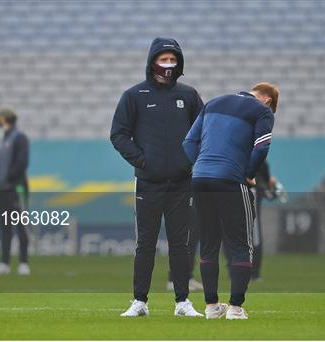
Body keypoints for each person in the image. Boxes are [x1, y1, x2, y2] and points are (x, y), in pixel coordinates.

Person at [111, 37, 204, 317]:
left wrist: (190, 161)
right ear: (152, 62)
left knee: (181, 244)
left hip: (181, 183)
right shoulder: (134, 96)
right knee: (145, 244)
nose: (168, 65)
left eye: (172, 60)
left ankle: (182, 302)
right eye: (163, 60)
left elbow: (204, 132)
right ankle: (139, 301)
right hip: (148, 183)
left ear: (179, 63)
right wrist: (142, 160)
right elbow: (118, 134)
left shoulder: (188, 96)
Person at [183, 82, 278, 320]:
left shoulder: (213, 103)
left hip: (200, 179)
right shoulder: (262, 111)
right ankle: (236, 308)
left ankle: (211, 307)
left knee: (208, 243)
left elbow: (188, 142)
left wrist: (203, 164)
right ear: (268, 99)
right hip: (231, 180)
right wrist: (249, 173)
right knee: (240, 244)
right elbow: (262, 146)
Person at [0, 108, 30, 276]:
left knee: (21, 226)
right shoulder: (5, 138)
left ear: (5, 119)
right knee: (5, 227)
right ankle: (4, 263)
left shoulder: (19, 137)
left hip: (15, 189)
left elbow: (22, 163)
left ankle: (23, 263)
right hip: (2, 189)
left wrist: (8, 179)